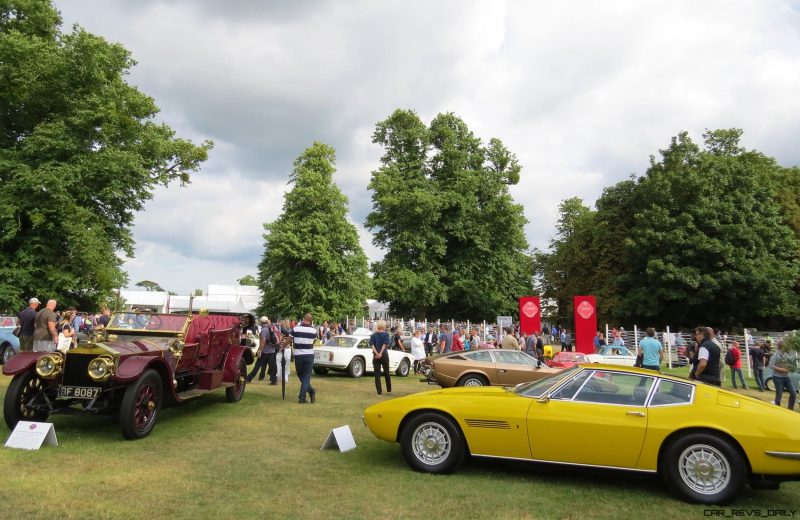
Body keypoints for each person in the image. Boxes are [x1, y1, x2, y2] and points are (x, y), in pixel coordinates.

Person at [291, 313, 317, 403]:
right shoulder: (313, 330)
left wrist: (283, 346)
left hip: (298, 355)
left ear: (303, 319)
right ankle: (311, 391)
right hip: (309, 355)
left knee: (301, 375)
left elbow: (289, 340)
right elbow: (314, 341)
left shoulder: (296, 329)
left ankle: (302, 397)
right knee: (305, 376)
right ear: (311, 320)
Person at [768, 340, 796, 410]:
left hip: (786, 377)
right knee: (779, 394)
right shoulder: (775, 355)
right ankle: (778, 410)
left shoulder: (787, 354)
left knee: (793, 393)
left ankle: (790, 409)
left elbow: (791, 364)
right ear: (782, 347)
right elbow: (771, 365)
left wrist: (791, 367)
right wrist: (782, 369)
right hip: (777, 377)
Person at [369, 320, 392, 395]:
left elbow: (372, 345)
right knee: (386, 372)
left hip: (375, 356)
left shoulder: (373, 335)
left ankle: (379, 392)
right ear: (383, 326)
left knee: (377, 374)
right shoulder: (386, 334)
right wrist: (380, 353)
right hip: (384, 354)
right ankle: (389, 389)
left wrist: (376, 353)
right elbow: (385, 344)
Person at [276, 319, 292, 383]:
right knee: (287, 364)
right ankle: (285, 377)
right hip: (287, 348)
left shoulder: (279, 331)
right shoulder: (290, 331)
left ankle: (278, 377)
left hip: (281, 348)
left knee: (278, 363)